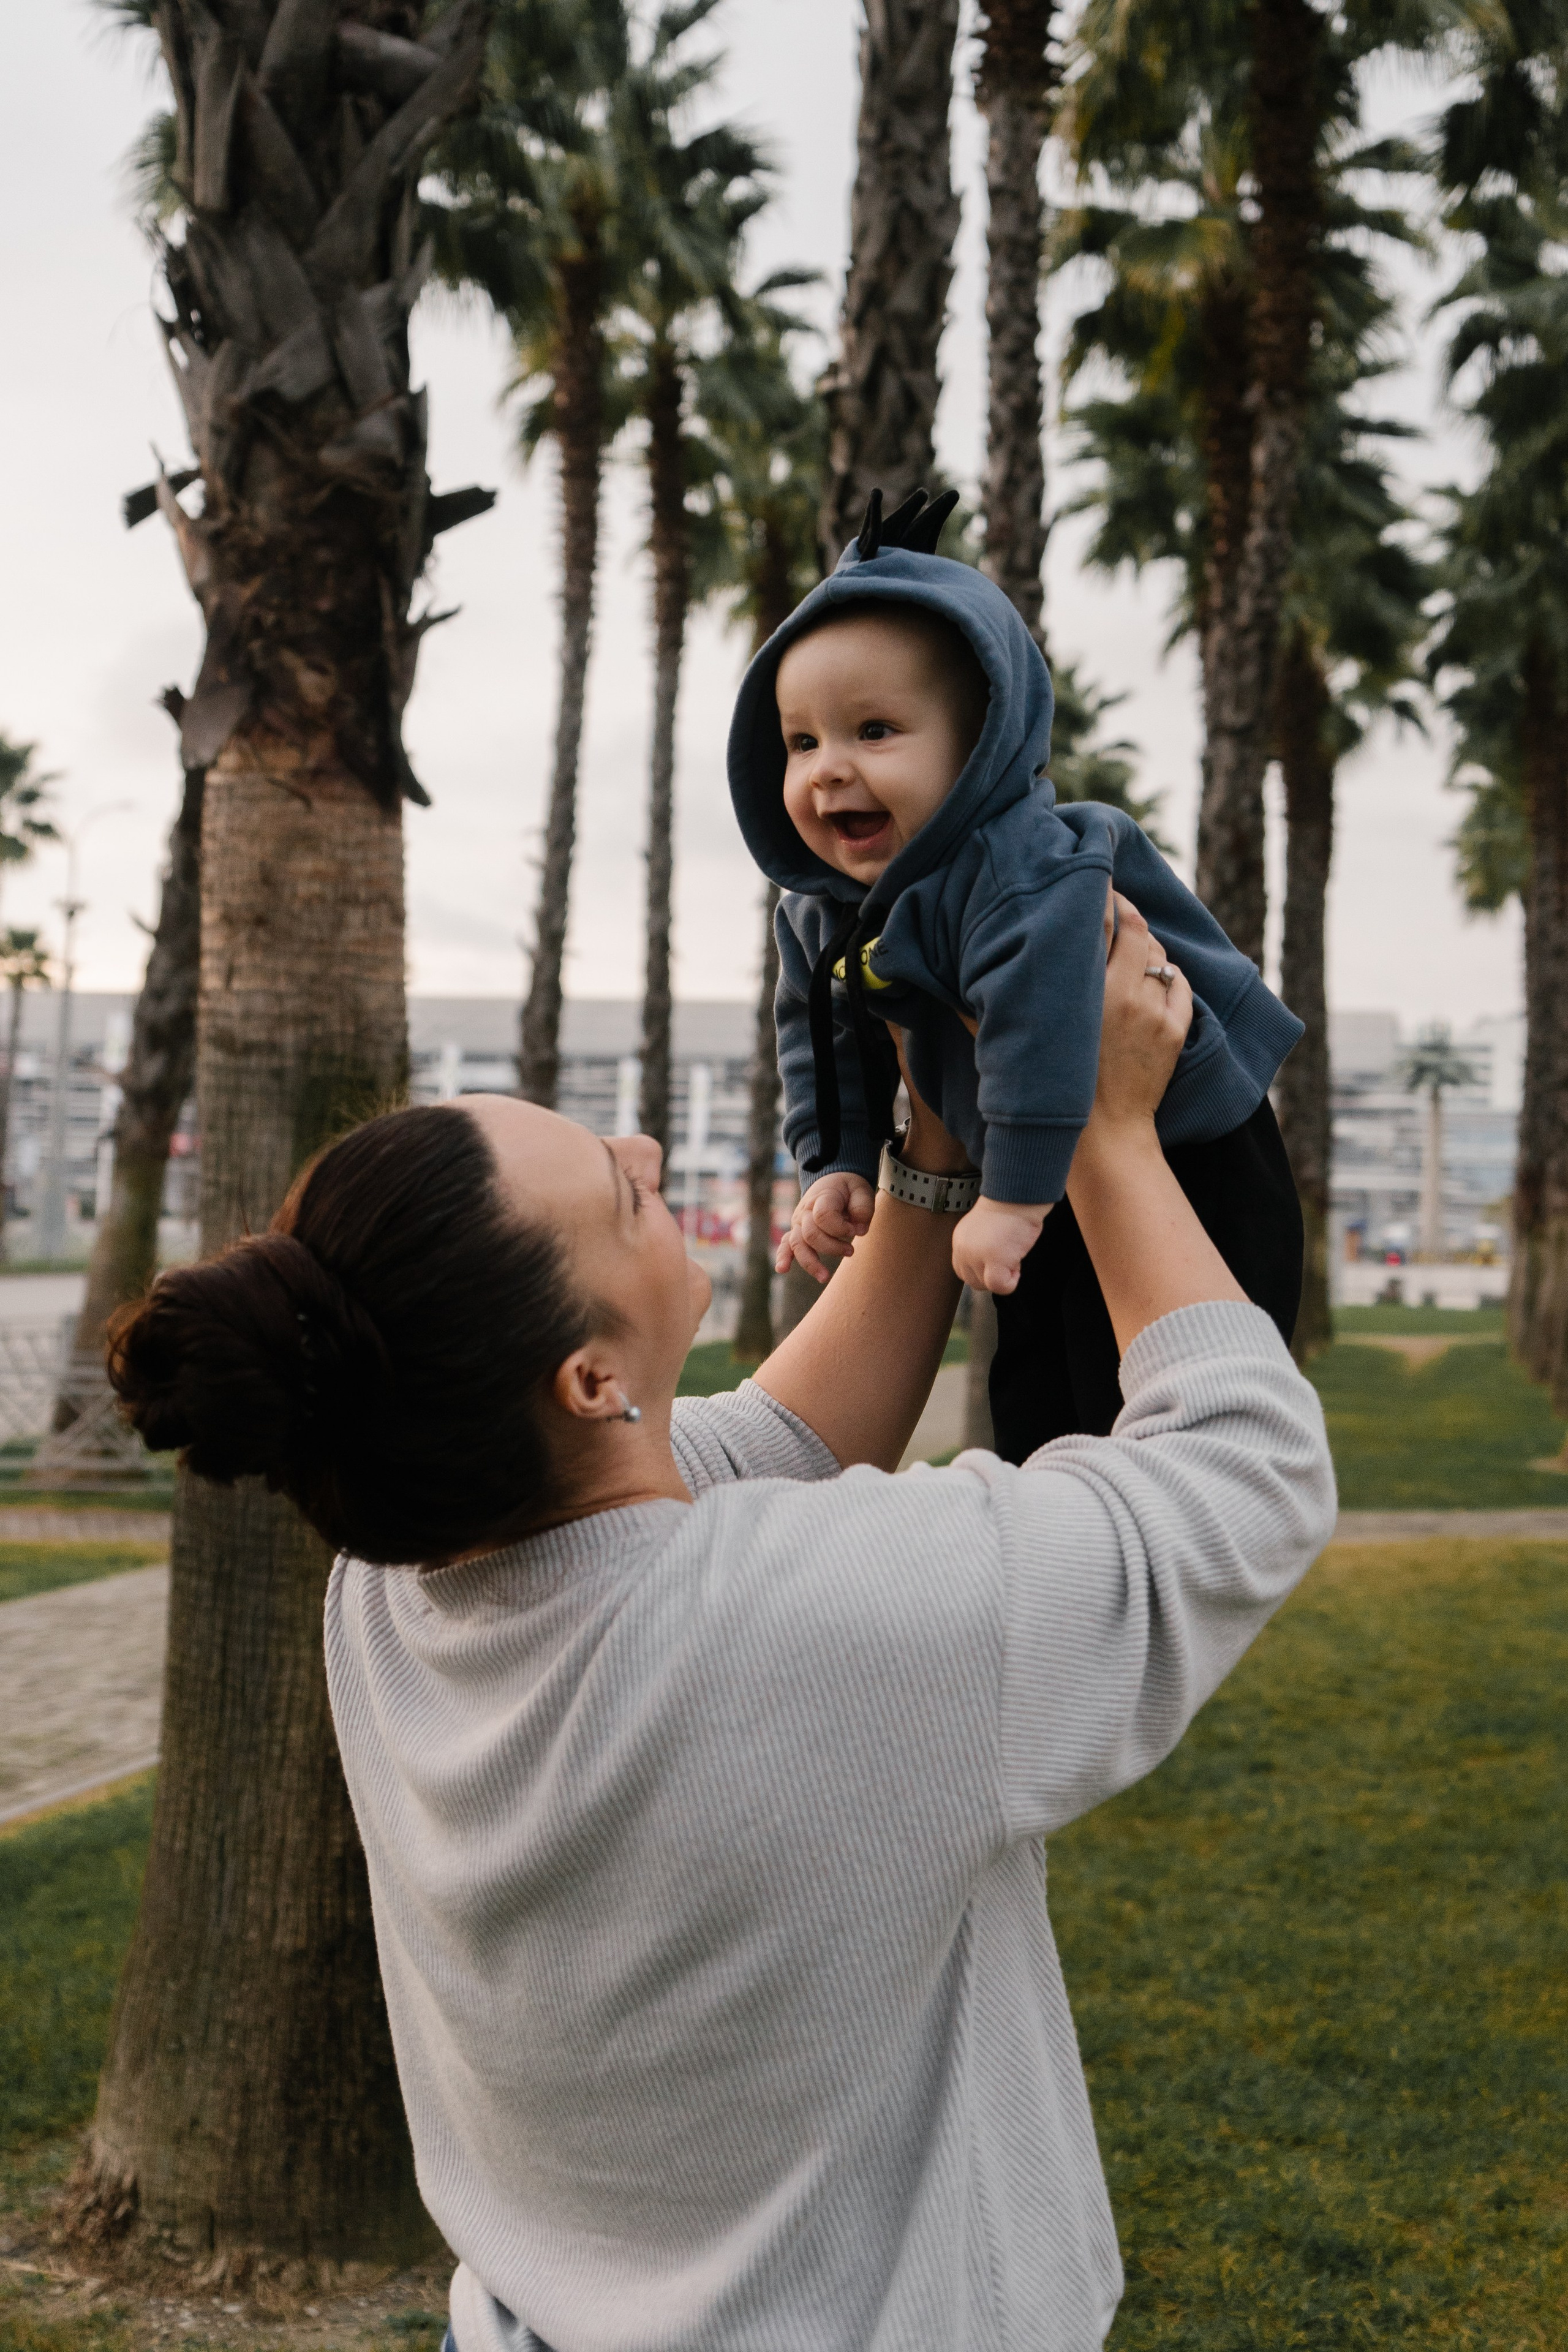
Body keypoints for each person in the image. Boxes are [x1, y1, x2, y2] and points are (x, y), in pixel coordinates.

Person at [106, 903, 1336, 2352]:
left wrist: (934, 1155)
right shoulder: (827, 1626)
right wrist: (1105, 1133)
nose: (645, 1156)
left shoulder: (395, 1584)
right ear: (584, 1381)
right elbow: (1242, 1474)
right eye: (620, 1195)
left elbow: (778, 1436)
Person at [726, 485, 1305, 1462]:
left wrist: (1014, 1202)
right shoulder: (823, 912)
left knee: (1177, 1419)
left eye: (875, 732)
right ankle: (1062, 1574)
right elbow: (817, 1038)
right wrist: (834, 1162)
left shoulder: (1024, 868)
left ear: (981, 747)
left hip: (1183, 1157)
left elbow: (1041, 1025)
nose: (827, 770)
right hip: (1027, 1175)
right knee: (1044, 1416)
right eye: (801, 741)